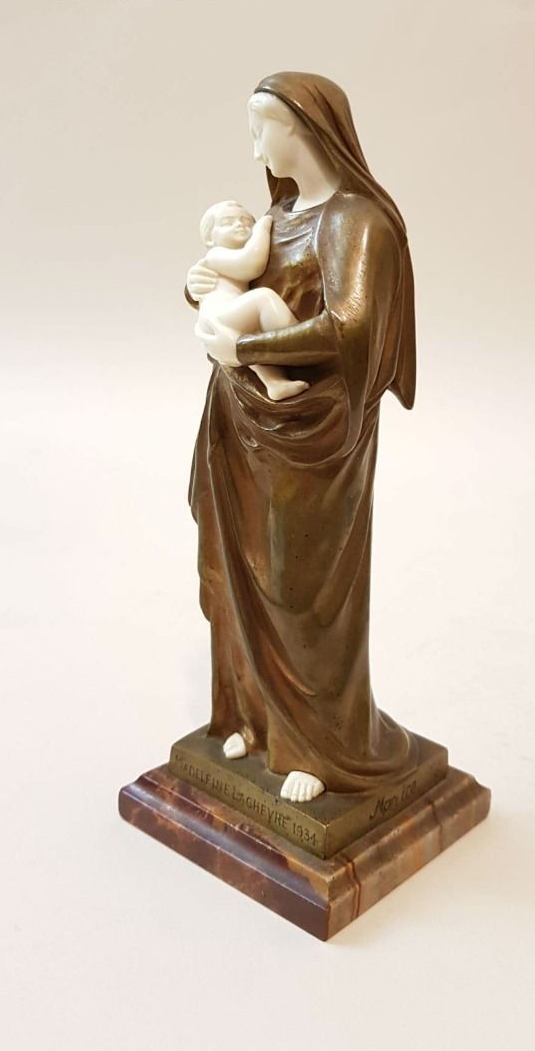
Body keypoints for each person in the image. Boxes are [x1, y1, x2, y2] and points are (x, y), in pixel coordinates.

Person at [184, 71, 417, 804]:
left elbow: (350, 326)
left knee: (299, 585)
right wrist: (199, 287)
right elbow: (255, 290)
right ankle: (250, 721)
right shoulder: (280, 214)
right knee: (234, 566)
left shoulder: (359, 222)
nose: (253, 143)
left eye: (262, 126)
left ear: (303, 129)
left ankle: (321, 746)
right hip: (240, 416)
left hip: (315, 431)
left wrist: (246, 349)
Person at [193, 200, 310, 401]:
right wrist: (262, 227)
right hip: (219, 316)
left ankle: (275, 383)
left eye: (247, 222)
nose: (239, 225)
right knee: (263, 298)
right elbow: (252, 264)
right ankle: (298, 340)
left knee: (253, 340)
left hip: (227, 317)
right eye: (227, 223)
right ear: (209, 238)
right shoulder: (215, 256)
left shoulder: (224, 259)